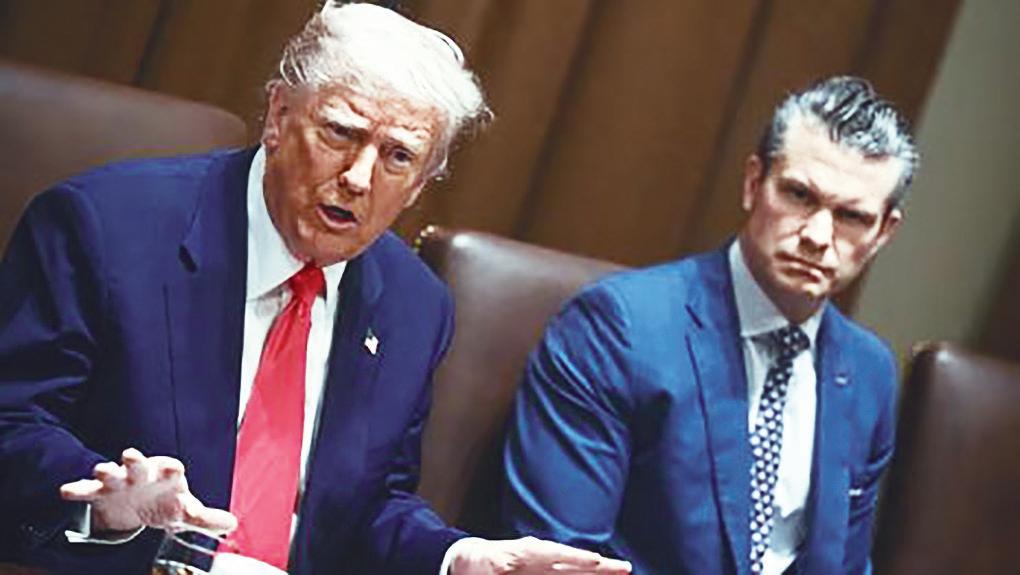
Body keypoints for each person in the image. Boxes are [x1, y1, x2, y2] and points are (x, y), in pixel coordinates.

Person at [0, 3, 632, 574]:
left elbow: (367, 508)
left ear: (419, 185)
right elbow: (13, 423)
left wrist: (455, 557)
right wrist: (107, 504)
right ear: (278, 116)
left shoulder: (415, 305)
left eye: (398, 156)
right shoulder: (106, 228)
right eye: (340, 133)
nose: (358, 177)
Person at [503, 76, 918, 574]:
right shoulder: (619, 328)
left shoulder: (869, 371)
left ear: (884, 232)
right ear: (753, 183)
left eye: (852, 216)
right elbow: (560, 561)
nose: (817, 235)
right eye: (798, 195)